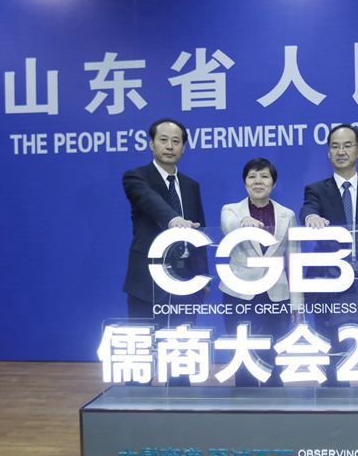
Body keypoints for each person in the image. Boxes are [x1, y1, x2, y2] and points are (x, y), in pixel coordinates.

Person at [300, 124, 358, 386]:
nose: (341, 151)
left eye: (347, 145)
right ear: (328, 153)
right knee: (332, 357)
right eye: (335, 146)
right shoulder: (316, 189)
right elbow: (307, 208)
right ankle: (332, 408)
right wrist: (311, 217)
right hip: (329, 284)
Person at [220, 158, 301, 387]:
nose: (258, 181)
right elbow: (228, 227)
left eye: (264, 177)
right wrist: (243, 221)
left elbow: (294, 258)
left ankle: (275, 404)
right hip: (239, 294)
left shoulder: (287, 214)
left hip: (276, 293)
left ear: (273, 183)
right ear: (244, 182)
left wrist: (297, 301)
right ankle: (244, 404)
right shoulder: (231, 210)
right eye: (252, 177)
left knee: (274, 358)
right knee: (243, 358)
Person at [122, 118, 208, 327]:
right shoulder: (136, 177)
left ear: (183, 148)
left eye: (176, 141)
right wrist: (173, 219)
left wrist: (203, 277)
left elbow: (199, 234)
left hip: (185, 280)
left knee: (183, 341)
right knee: (145, 341)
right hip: (148, 280)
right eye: (163, 140)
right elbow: (150, 201)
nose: (170, 146)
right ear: (151, 144)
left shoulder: (191, 185)